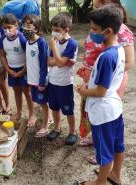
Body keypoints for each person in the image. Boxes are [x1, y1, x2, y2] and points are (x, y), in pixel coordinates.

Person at [77, 0, 135, 165]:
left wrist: (87, 89)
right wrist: (89, 71)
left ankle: (101, 174)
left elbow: (102, 91)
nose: (91, 31)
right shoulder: (112, 47)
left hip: (104, 96)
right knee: (112, 139)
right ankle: (113, 172)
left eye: (93, 29)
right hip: (102, 91)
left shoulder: (110, 52)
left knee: (106, 137)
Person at [47, 13, 78, 145]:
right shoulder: (55, 41)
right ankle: (57, 128)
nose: (54, 33)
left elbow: (60, 63)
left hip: (65, 83)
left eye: (57, 30)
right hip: (52, 81)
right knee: (54, 107)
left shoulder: (71, 43)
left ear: (66, 29)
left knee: (68, 109)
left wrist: (55, 51)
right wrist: (59, 61)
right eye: (53, 29)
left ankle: (72, 132)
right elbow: (49, 61)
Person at [0, 13, 35, 124]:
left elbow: (29, 55)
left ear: (16, 25)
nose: (7, 30)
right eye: (4, 28)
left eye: (9, 27)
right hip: (11, 69)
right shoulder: (2, 39)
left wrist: (23, 70)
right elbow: (2, 55)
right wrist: (8, 70)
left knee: (27, 91)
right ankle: (19, 112)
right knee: (16, 90)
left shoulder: (22, 38)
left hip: (24, 69)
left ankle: (32, 114)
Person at [22, 14, 50, 136]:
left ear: (36, 28)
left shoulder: (41, 42)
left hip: (40, 80)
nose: (25, 28)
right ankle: (47, 118)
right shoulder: (28, 42)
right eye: (24, 25)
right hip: (32, 79)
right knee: (39, 101)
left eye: (29, 25)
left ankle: (45, 125)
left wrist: (42, 81)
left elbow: (44, 63)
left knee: (43, 103)